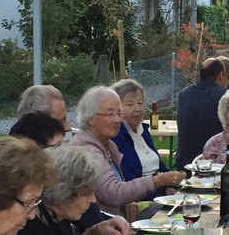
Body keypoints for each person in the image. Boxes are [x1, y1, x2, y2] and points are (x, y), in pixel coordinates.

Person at [70, 86, 184, 220]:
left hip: (120, 215)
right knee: (180, 215)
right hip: (103, 225)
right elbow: (113, 193)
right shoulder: (88, 150)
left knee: (183, 210)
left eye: (119, 114)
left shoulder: (107, 145)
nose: (117, 120)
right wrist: (158, 181)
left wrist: (126, 202)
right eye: (110, 114)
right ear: (91, 119)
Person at [18, 145, 130, 235]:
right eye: (87, 192)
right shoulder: (27, 225)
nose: (93, 199)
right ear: (64, 192)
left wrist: (98, 230)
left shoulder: (56, 213)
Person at [111, 77, 169, 194]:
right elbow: (128, 176)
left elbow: (159, 164)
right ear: (117, 108)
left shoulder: (143, 130)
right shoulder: (116, 136)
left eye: (140, 103)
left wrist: (169, 187)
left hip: (161, 192)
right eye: (130, 104)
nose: (137, 109)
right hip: (141, 197)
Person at [174, 57, 229, 169]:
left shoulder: (184, 94)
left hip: (184, 162)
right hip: (213, 163)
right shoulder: (225, 97)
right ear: (221, 75)